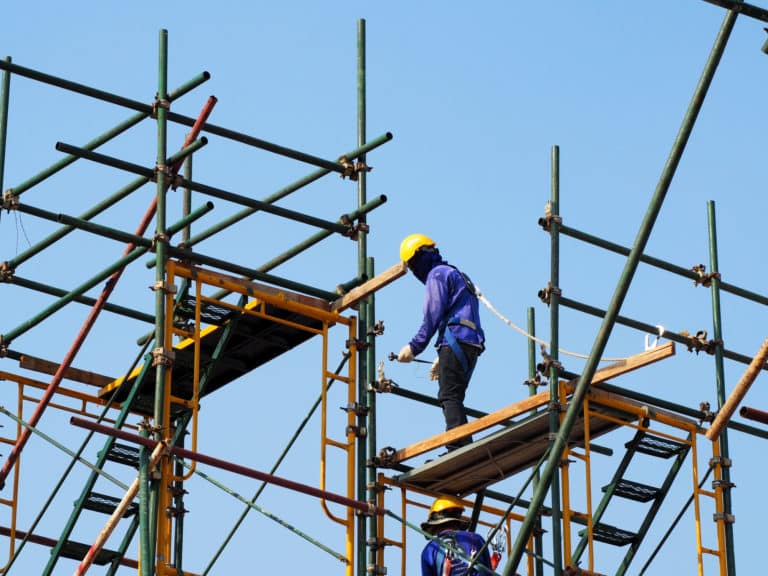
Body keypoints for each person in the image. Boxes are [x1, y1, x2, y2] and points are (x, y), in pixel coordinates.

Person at [397, 233, 485, 451]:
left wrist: (414, 347)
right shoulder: (456, 274)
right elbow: (464, 312)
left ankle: (458, 448)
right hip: (470, 342)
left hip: (457, 339)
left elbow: (432, 315)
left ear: (416, 259)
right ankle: (462, 444)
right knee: (454, 395)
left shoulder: (436, 275)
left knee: (448, 395)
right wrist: (441, 355)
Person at [420, 496, 493, 576]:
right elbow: (488, 571)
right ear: (458, 522)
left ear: (435, 526)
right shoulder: (476, 539)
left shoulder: (430, 549)